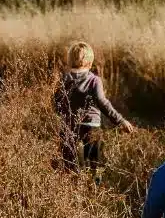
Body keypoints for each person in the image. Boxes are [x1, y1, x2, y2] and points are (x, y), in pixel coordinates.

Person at [52, 41, 135, 183]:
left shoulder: (63, 79)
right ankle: (96, 184)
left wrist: (63, 114)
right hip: (91, 126)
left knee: (67, 158)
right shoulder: (94, 80)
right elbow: (103, 103)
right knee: (95, 160)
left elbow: (56, 101)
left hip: (69, 124)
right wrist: (120, 120)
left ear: (70, 60)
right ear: (90, 63)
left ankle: (68, 184)